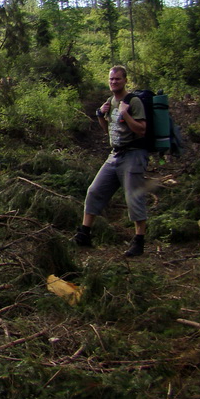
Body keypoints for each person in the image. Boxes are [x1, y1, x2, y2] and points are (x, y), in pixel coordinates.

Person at [73, 65, 148, 257]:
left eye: (118, 79)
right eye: (111, 79)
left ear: (125, 80)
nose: (114, 82)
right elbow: (109, 131)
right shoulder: (110, 101)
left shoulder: (134, 101)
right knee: (94, 191)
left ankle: (139, 242)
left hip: (133, 154)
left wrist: (125, 114)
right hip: (114, 155)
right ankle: (84, 234)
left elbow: (141, 129)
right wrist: (100, 115)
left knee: (133, 197)